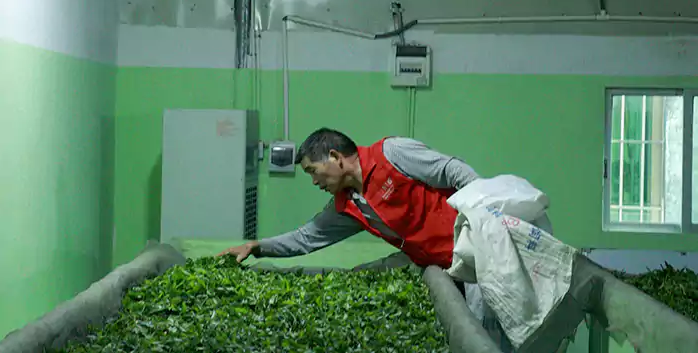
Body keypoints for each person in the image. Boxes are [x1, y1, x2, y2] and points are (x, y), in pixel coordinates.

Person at [219, 128, 552, 351]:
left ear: (335, 158)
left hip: (477, 249)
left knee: (492, 330)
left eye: (312, 171)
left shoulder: (392, 154)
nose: (313, 181)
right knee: (473, 332)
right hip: (447, 265)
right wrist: (257, 246)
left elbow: (454, 171)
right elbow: (307, 238)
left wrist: (485, 217)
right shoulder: (347, 205)